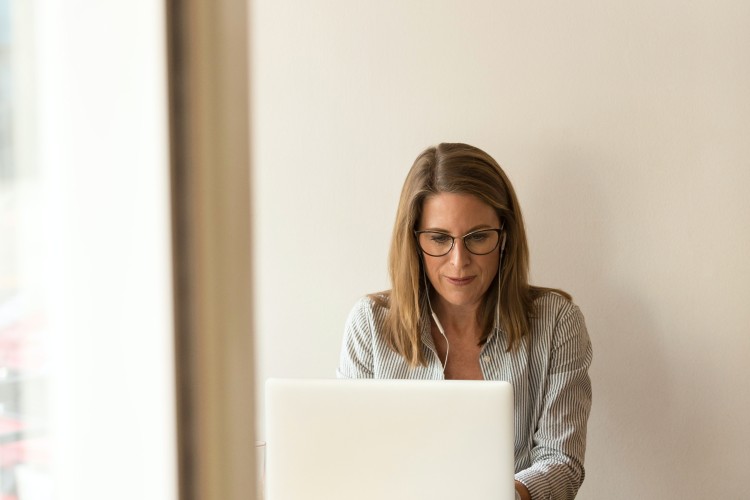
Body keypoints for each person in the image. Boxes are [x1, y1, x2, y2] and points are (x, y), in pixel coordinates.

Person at [337, 142, 593, 500]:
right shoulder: (370, 325)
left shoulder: (556, 322)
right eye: (439, 238)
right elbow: (350, 460)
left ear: (504, 236)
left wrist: (507, 495)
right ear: (413, 241)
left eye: (478, 238)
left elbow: (562, 461)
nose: (459, 262)